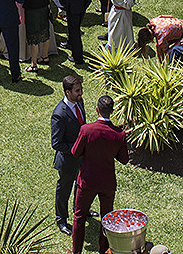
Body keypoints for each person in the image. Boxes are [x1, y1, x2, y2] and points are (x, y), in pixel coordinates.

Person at [70, 95, 129, 254]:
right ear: (112, 111)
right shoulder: (119, 134)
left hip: (87, 182)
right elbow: (124, 159)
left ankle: (76, 252)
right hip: (107, 183)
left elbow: (75, 152)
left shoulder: (86, 130)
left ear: (97, 109)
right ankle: (103, 251)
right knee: (107, 220)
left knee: (79, 217)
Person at [50, 75, 86, 235]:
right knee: (64, 190)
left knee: (82, 186)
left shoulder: (80, 103)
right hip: (67, 161)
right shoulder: (59, 114)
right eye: (77, 91)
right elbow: (56, 143)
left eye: (81, 90)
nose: (81, 93)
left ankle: (80, 210)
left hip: (82, 158)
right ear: (67, 92)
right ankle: (61, 219)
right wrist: (76, 147)